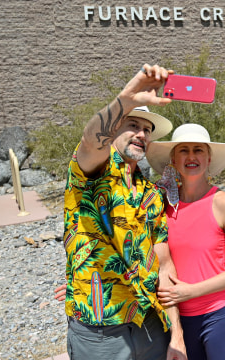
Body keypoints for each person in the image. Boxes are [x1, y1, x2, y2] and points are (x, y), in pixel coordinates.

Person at [58, 63, 187, 360]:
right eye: (133, 125)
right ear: (114, 130)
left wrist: (176, 334)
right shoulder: (91, 174)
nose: (141, 134)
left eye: (147, 130)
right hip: (101, 331)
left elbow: (165, 266)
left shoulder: (152, 195)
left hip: (151, 323)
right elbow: (91, 141)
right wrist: (127, 99)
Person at [146, 123, 225, 360]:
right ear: (173, 159)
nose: (191, 156)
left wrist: (190, 291)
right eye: (183, 150)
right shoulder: (161, 206)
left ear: (208, 158)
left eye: (198, 150)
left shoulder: (224, 203)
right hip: (177, 320)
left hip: (219, 317)